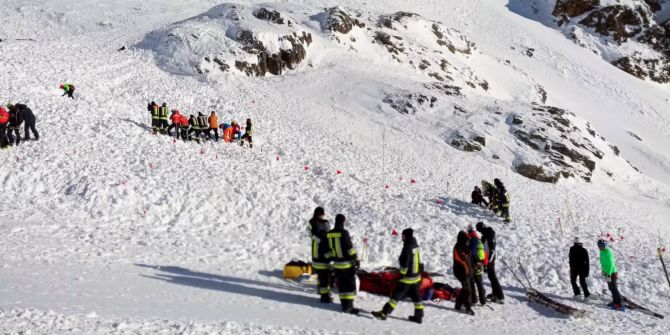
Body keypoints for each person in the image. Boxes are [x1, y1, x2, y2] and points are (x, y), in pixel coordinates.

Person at [372, 228, 424, 323]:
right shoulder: (415, 245)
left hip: (408, 278)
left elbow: (405, 264)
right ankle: (419, 316)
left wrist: (401, 274)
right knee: (417, 297)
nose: (401, 238)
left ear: (407, 236)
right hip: (416, 277)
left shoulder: (407, 247)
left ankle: (384, 313)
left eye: (403, 236)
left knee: (395, 296)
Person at [327, 214, 359, 314]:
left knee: (341, 285)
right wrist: (356, 259)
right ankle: (349, 307)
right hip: (347, 265)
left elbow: (329, 250)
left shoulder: (329, 233)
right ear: (343, 222)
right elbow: (349, 248)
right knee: (349, 286)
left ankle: (344, 305)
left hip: (337, 264)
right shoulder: (344, 233)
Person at [307, 207, 332, 303]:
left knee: (323, 271)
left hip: (323, 248)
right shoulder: (312, 222)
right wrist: (318, 239)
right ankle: (321, 289)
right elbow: (309, 233)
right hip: (317, 249)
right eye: (321, 214)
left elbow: (329, 232)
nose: (322, 216)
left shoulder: (326, 222)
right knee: (320, 270)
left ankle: (323, 289)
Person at [476, 221, 505, 303]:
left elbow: (492, 250)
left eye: (479, 229)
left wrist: (488, 262)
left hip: (490, 259)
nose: (479, 232)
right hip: (487, 258)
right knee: (491, 277)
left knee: (493, 277)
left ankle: (500, 296)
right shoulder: (485, 235)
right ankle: (495, 294)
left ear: (482, 227)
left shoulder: (489, 234)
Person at [453, 230, 475, 315]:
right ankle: (467, 307)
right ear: (462, 239)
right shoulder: (458, 247)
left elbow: (469, 261)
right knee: (467, 290)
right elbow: (463, 261)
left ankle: (458, 304)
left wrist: (472, 270)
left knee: (465, 289)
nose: (467, 242)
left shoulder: (464, 247)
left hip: (466, 272)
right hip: (460, 272)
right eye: (466, 240)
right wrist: (467, 272)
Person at [598, 239, 623, 310]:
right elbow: (602, 262)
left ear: (605, 245)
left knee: (614, 288)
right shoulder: (602, 252)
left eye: (601, 246)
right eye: (599, 246)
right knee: (611, 288)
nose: (600, 247)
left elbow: (611, 264)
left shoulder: (608, 252)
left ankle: (620, 303)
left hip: (612, 273)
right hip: (607, 273)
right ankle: (615, 301)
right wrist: (603, 271)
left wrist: (608, 274)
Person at [467, 225, 486, 306]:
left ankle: (474, 300)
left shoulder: (471, 240)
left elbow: (472, 253)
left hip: (473, 264)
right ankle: (483, 301)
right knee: (479, 283)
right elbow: (482, 254)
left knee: (472, 282)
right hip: (479, 263)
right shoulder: (478, 239)